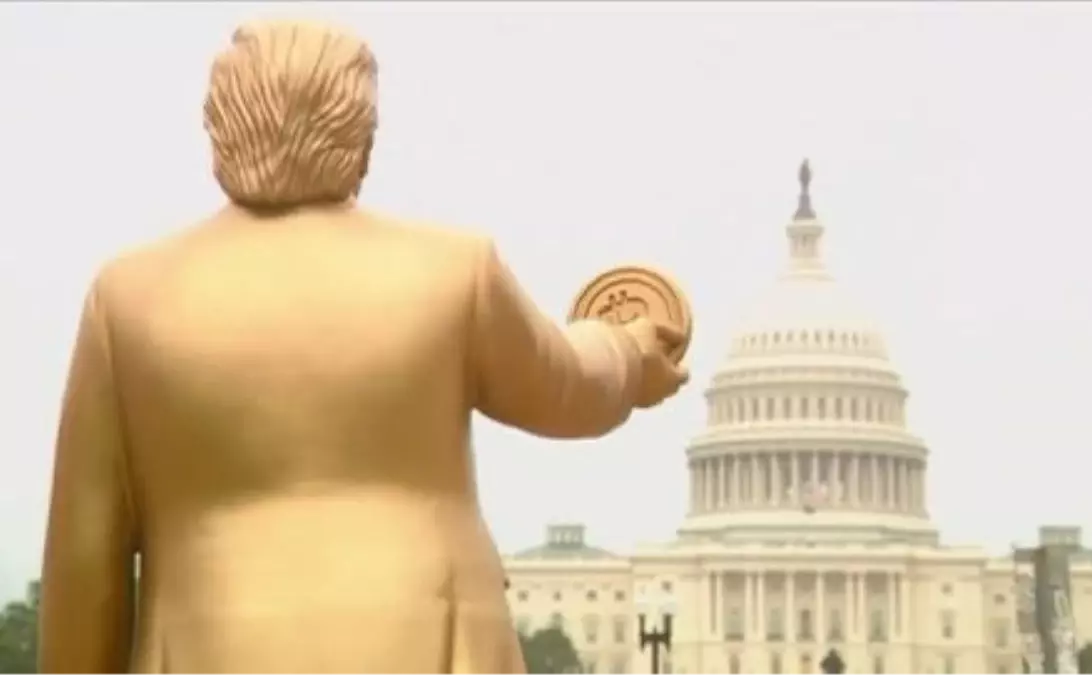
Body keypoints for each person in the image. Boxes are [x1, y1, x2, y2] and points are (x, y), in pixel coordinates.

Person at [38, 20, 689, 675]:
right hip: (435, 644)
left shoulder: (127, 300)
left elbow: (83, 559)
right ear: (362, 137)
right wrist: (630, 349)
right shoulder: (453, 271)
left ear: (217, 127)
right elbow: (569, 387)